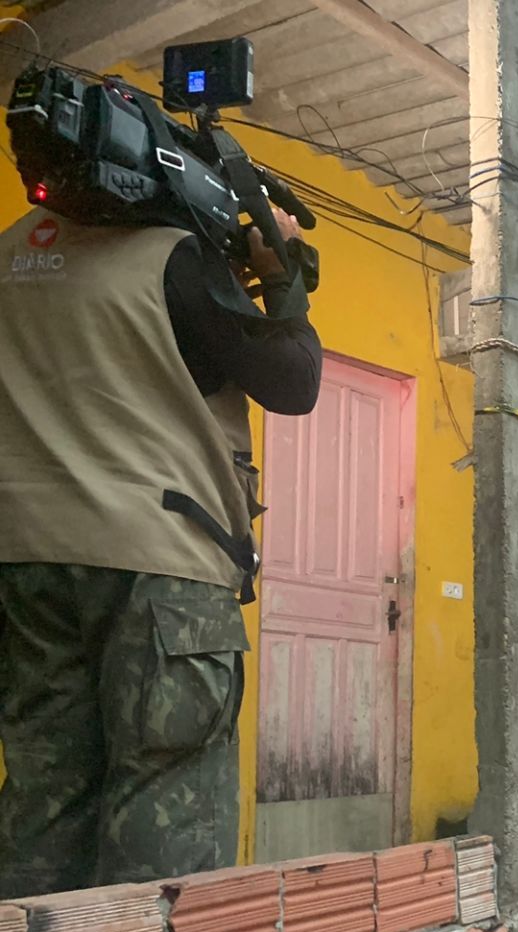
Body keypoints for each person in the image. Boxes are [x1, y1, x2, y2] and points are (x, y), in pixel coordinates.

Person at [0, 205, 321, 896]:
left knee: (42, 797)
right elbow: (294, 380)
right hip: (162, 564)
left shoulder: (10, 253)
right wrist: (280, 271)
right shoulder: (174, 257)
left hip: (26, 560)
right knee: (164, 803)